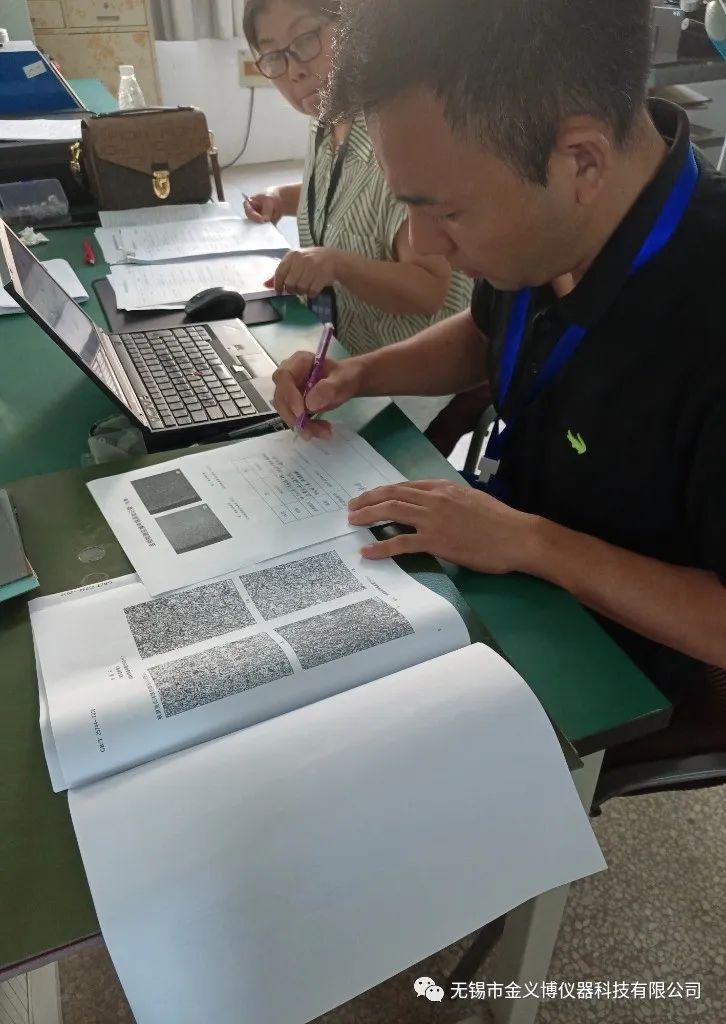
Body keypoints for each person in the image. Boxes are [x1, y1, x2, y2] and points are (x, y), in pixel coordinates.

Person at [273, 0, 726, 708]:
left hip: (619, 663)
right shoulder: (552, 224)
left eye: (447, 212)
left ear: (582, 161)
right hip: (507, 565)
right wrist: (359, 373)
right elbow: (487, 332)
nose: (423, 244)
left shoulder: (704, 314)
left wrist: (533, 544)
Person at [241, 0, 473, 358]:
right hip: (343, 349)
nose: (294, 71)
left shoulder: (397, 136)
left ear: (354, 25)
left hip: (412, 369)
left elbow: (428, 289)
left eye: (305, 39)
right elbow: (345, 193)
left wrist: (336, 264)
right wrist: (280, 197)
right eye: (274, 56)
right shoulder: (325, 119)